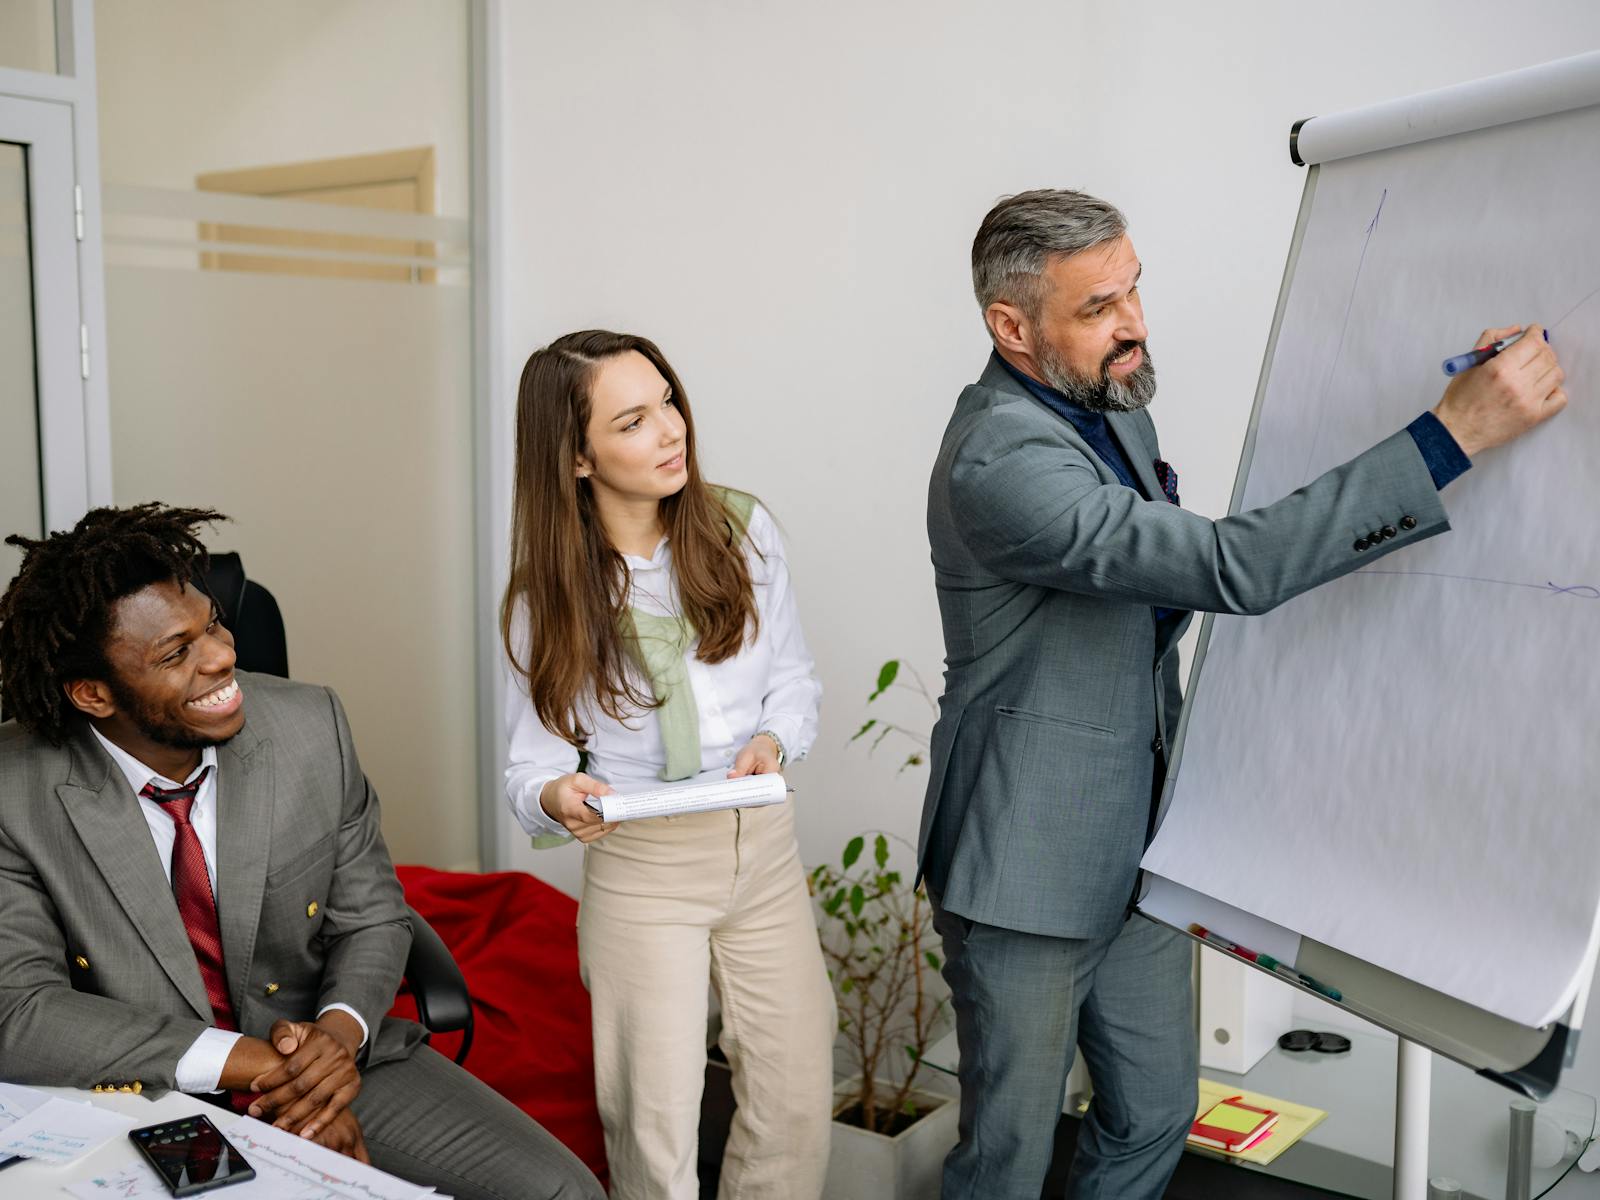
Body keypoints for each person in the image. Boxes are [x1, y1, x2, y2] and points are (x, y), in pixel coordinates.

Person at [920, 188, 1566, 1200]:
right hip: (1024, 865)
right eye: (1096, 308)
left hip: (1134, 846)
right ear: (1012, 327)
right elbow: (1230, 567)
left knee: (1154, 1113)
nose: (1131, 322)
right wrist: (1448, 439)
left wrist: (1456, 378)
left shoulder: (1104, 402)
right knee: (1004, 1157)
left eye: (1132, 289)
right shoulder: (1001, 456)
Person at [0, 503, 603, 1200]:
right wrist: (257, 1066)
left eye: (214, 624)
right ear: (92, 693)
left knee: (564, 1191)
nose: (223, 656)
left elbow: (374, 917)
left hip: (325, 1054)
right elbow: (21, 1010)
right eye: (176, 653)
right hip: (134, 1085)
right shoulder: (16, 790)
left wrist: (337, 1042)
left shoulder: (311, 725)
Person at [501, 330, 836, 1200]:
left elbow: (793, 678)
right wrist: (552, 793)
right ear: (577, 457)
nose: (671, 430)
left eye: (670, 402)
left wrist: (774, 742)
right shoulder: (553, 592)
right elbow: (527, 767)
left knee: (796, 1100)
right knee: (655, 1126)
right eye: (634, 420)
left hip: (761, 843)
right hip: (646, 865)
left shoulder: (741, 529)